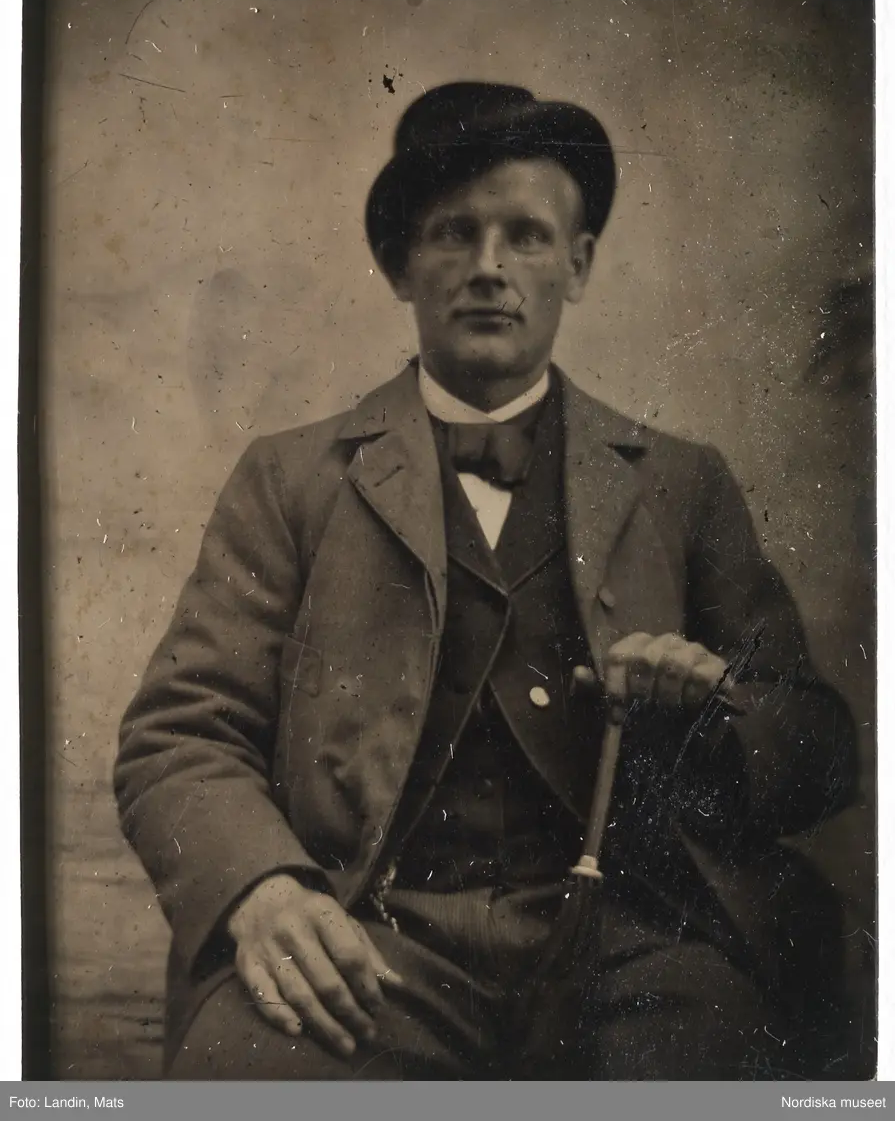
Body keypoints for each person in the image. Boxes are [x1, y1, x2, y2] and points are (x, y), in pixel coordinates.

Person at [114, 81, 858, 1081]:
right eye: (453, 234)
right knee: (243, 1073)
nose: (488, 269)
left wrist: (713, 710)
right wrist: (264, 890)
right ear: (401, 265)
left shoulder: (682, 485)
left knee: (725, 1061)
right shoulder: (291, 480)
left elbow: (819, 750)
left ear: (577, 265)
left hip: (639, 942)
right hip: (371, 940)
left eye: (527, 237)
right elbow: (178, 734)